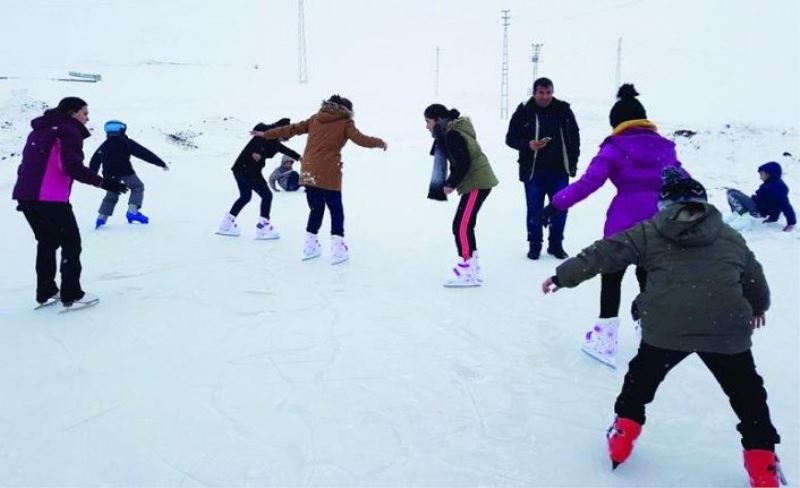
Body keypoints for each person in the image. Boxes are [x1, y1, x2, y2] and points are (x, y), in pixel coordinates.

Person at [541, 172, 783, 487]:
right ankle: (762, 462)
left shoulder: (649, 232)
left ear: (663, 204)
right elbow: (754, 277)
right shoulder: (728, 236)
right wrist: (759, 306)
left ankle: (624, 433)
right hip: (725, 330)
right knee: (748, 394)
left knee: (640, 381)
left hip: (668, 329)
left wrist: (563, 277)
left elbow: (605, 253)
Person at [541, 84, 686, 368]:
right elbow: (684, 182)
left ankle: (606, 338)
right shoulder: (664, 148)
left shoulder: (615, 146)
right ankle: (648, 329)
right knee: (648, 277)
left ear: (616, 123)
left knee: (611, 277)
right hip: (658, 223)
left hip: (623, 224)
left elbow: (589, 183)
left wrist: (556, 204)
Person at [12, 97, 128, 309]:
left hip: (27, 195)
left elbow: (26, 164)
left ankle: (46, 291)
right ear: (73, 112)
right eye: (84, 113)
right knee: (71, 244)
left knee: (47, 242)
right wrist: (103, 182)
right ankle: (71, 294)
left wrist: (27, 193)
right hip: (51, 198)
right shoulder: (68, 130)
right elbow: (71, 166)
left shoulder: (39, 130)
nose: (87, 117)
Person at [252, 95, 387, 264]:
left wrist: (266, 134)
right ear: (346, 109)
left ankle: (310, 246)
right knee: (335, 208)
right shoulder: (345, 122)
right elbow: (360, 139)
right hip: (329, 171)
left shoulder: (316, 118)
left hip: (309, 170)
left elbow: (292, 129)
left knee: (316, 208)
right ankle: (338, 248)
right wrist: (379, 142)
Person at [424, 104, 499, 287]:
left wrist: (450, 183)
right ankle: (472, 264)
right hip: (477, 181)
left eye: (428, 121)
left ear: (437, 119)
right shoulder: (452, 130)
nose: (427, 126)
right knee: (464, 224)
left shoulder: (452, 134)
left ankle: (468, 267)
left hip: (477, 182)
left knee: (461, 226)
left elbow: (463, 163)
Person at [505, 77, 580, 260]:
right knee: (534, 209)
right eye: (541, 92)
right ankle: (535, 245)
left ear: (552, 92)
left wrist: (572, 162)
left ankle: (556, 244)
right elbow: (510, 138)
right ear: (534, 92)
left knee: (561, 207)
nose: (545, 96)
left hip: (559, 171)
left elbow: (575, 138)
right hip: (533, 171)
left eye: (548, 92)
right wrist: (527, 144)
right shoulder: (524, 111)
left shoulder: (563, 110)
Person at [217, 119, 301, 239]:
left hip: (240, 170)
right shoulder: (264, 136)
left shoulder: (273, 141)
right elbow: (258, 141)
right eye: (286, 135)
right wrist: (257, 151)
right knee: (267, 196)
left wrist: (299, 157)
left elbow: (285, 150)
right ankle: (263, 228)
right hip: (248, 171)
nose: (285, 139)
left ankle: (226, 224)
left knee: (245, 197)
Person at [90, 120, 169, 228]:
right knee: (137, 187)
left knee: (112, 194)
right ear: (121, 130)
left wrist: (92, 175)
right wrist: (160, 163)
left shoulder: (104, 145)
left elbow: (94, 160)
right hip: (125, 171)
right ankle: (132, 212)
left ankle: (101, 218)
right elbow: (143, 153)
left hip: (109, 174)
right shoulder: (125, 141)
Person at [727, 161, 795, 232]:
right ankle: (742, 215)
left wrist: (791, 223)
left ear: (769, 174)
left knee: (732, 193)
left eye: (761, 174)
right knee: (731, 192)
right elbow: (774, 203)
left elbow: (784, 205)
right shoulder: (771, 184)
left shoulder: (776, 187)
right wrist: (773, 218)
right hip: (758, 207)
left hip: (758, 211)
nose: (760, 177)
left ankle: (743, 216)